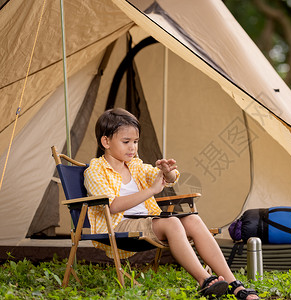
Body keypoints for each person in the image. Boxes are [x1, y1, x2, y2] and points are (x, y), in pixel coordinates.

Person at [84, 108, 259, 299]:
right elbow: (113, 206)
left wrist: (168, 172)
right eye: (126, 142)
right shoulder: (96, 170)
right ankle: (204, 280)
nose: (132, 148)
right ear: (105, 141)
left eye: (135, 142)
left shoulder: (135, 165)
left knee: (192, 220)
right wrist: (150, 191)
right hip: (118, 225)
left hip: (146, 221)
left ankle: (234, 284)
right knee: (173, 222)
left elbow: (169, 178)